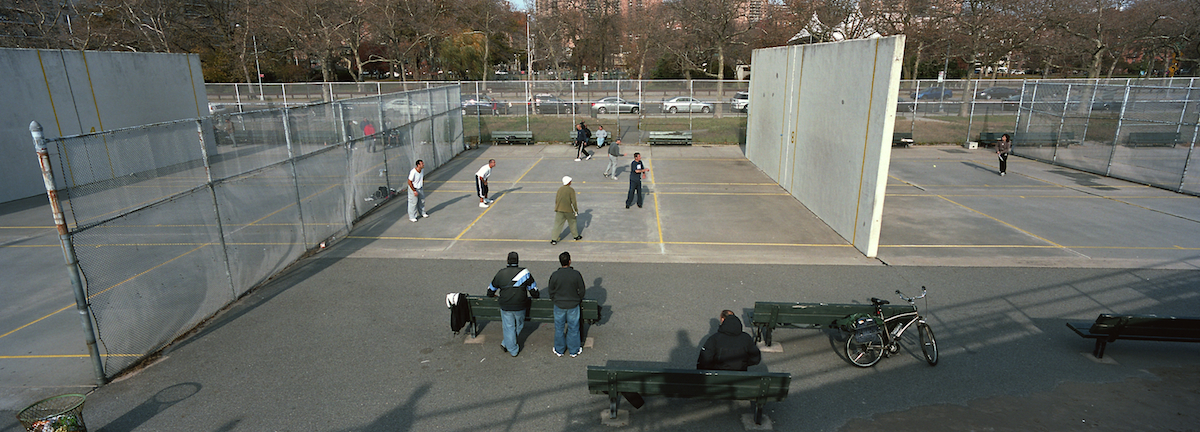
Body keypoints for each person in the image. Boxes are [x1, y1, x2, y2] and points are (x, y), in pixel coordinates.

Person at [486, 251, 540, 357]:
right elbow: (534, 292)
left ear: (507, 261)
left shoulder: (500, 273)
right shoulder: (525, 273)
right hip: (520, 305)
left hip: (505, 305)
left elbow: (490, 291)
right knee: (519, 325)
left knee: (509, 327)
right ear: (517, 261)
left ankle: (509, 345)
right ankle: (511, 347)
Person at [548, 251, 586, 357]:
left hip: (559, 304)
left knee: (559, 328)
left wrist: (554, 299)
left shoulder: (555, 275)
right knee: (574, 328)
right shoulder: (576, 274)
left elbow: (551, 291)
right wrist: (578, 299)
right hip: (573, 304)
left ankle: (559, 349)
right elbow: (582, 290)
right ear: (570, 261)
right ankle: (574, 350)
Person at [697, 310, 761, 371]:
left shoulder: (714, 338)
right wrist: (743, 364)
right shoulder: (746, 338)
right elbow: (755, 358)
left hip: (718, 376)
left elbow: (705, 359)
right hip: (740, 376)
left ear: (723, 321)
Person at [549, 176, 580, 245]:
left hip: (559, 209)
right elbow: (573, 202)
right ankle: (576, 236)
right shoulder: (571, 190)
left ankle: (554, 239)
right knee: (572, 222)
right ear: (568, 182)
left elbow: (556, 200)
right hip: (569, 210)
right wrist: (576, 210)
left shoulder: (560, 189)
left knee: (557, 224)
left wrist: (557, 207)